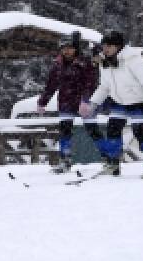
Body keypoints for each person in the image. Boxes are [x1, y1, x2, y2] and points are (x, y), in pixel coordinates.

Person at [86, 31, 143, 179]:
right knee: (113, 130)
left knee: (140, 131)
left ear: (119, 46)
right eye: (104, 46)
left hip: (136, 101)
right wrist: (94, 102)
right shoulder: (104, 63)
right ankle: (113, 164)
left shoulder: (132, 59)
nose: (105, 49)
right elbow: (104, 87)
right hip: (118, 102)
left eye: (109, 46)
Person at [37, 31, 102, 173]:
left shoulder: (85, 63)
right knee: (65, 131)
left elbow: (90, 83)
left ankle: (110, 158)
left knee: (93, 130)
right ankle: (65, 160)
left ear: (76, 49)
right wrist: (43, 102)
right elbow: (51, 85)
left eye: (70, 48)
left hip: (84, 102)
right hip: (66, 102)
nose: (66, 51)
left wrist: (85, 100)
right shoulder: (57, 65)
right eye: (64, 48)